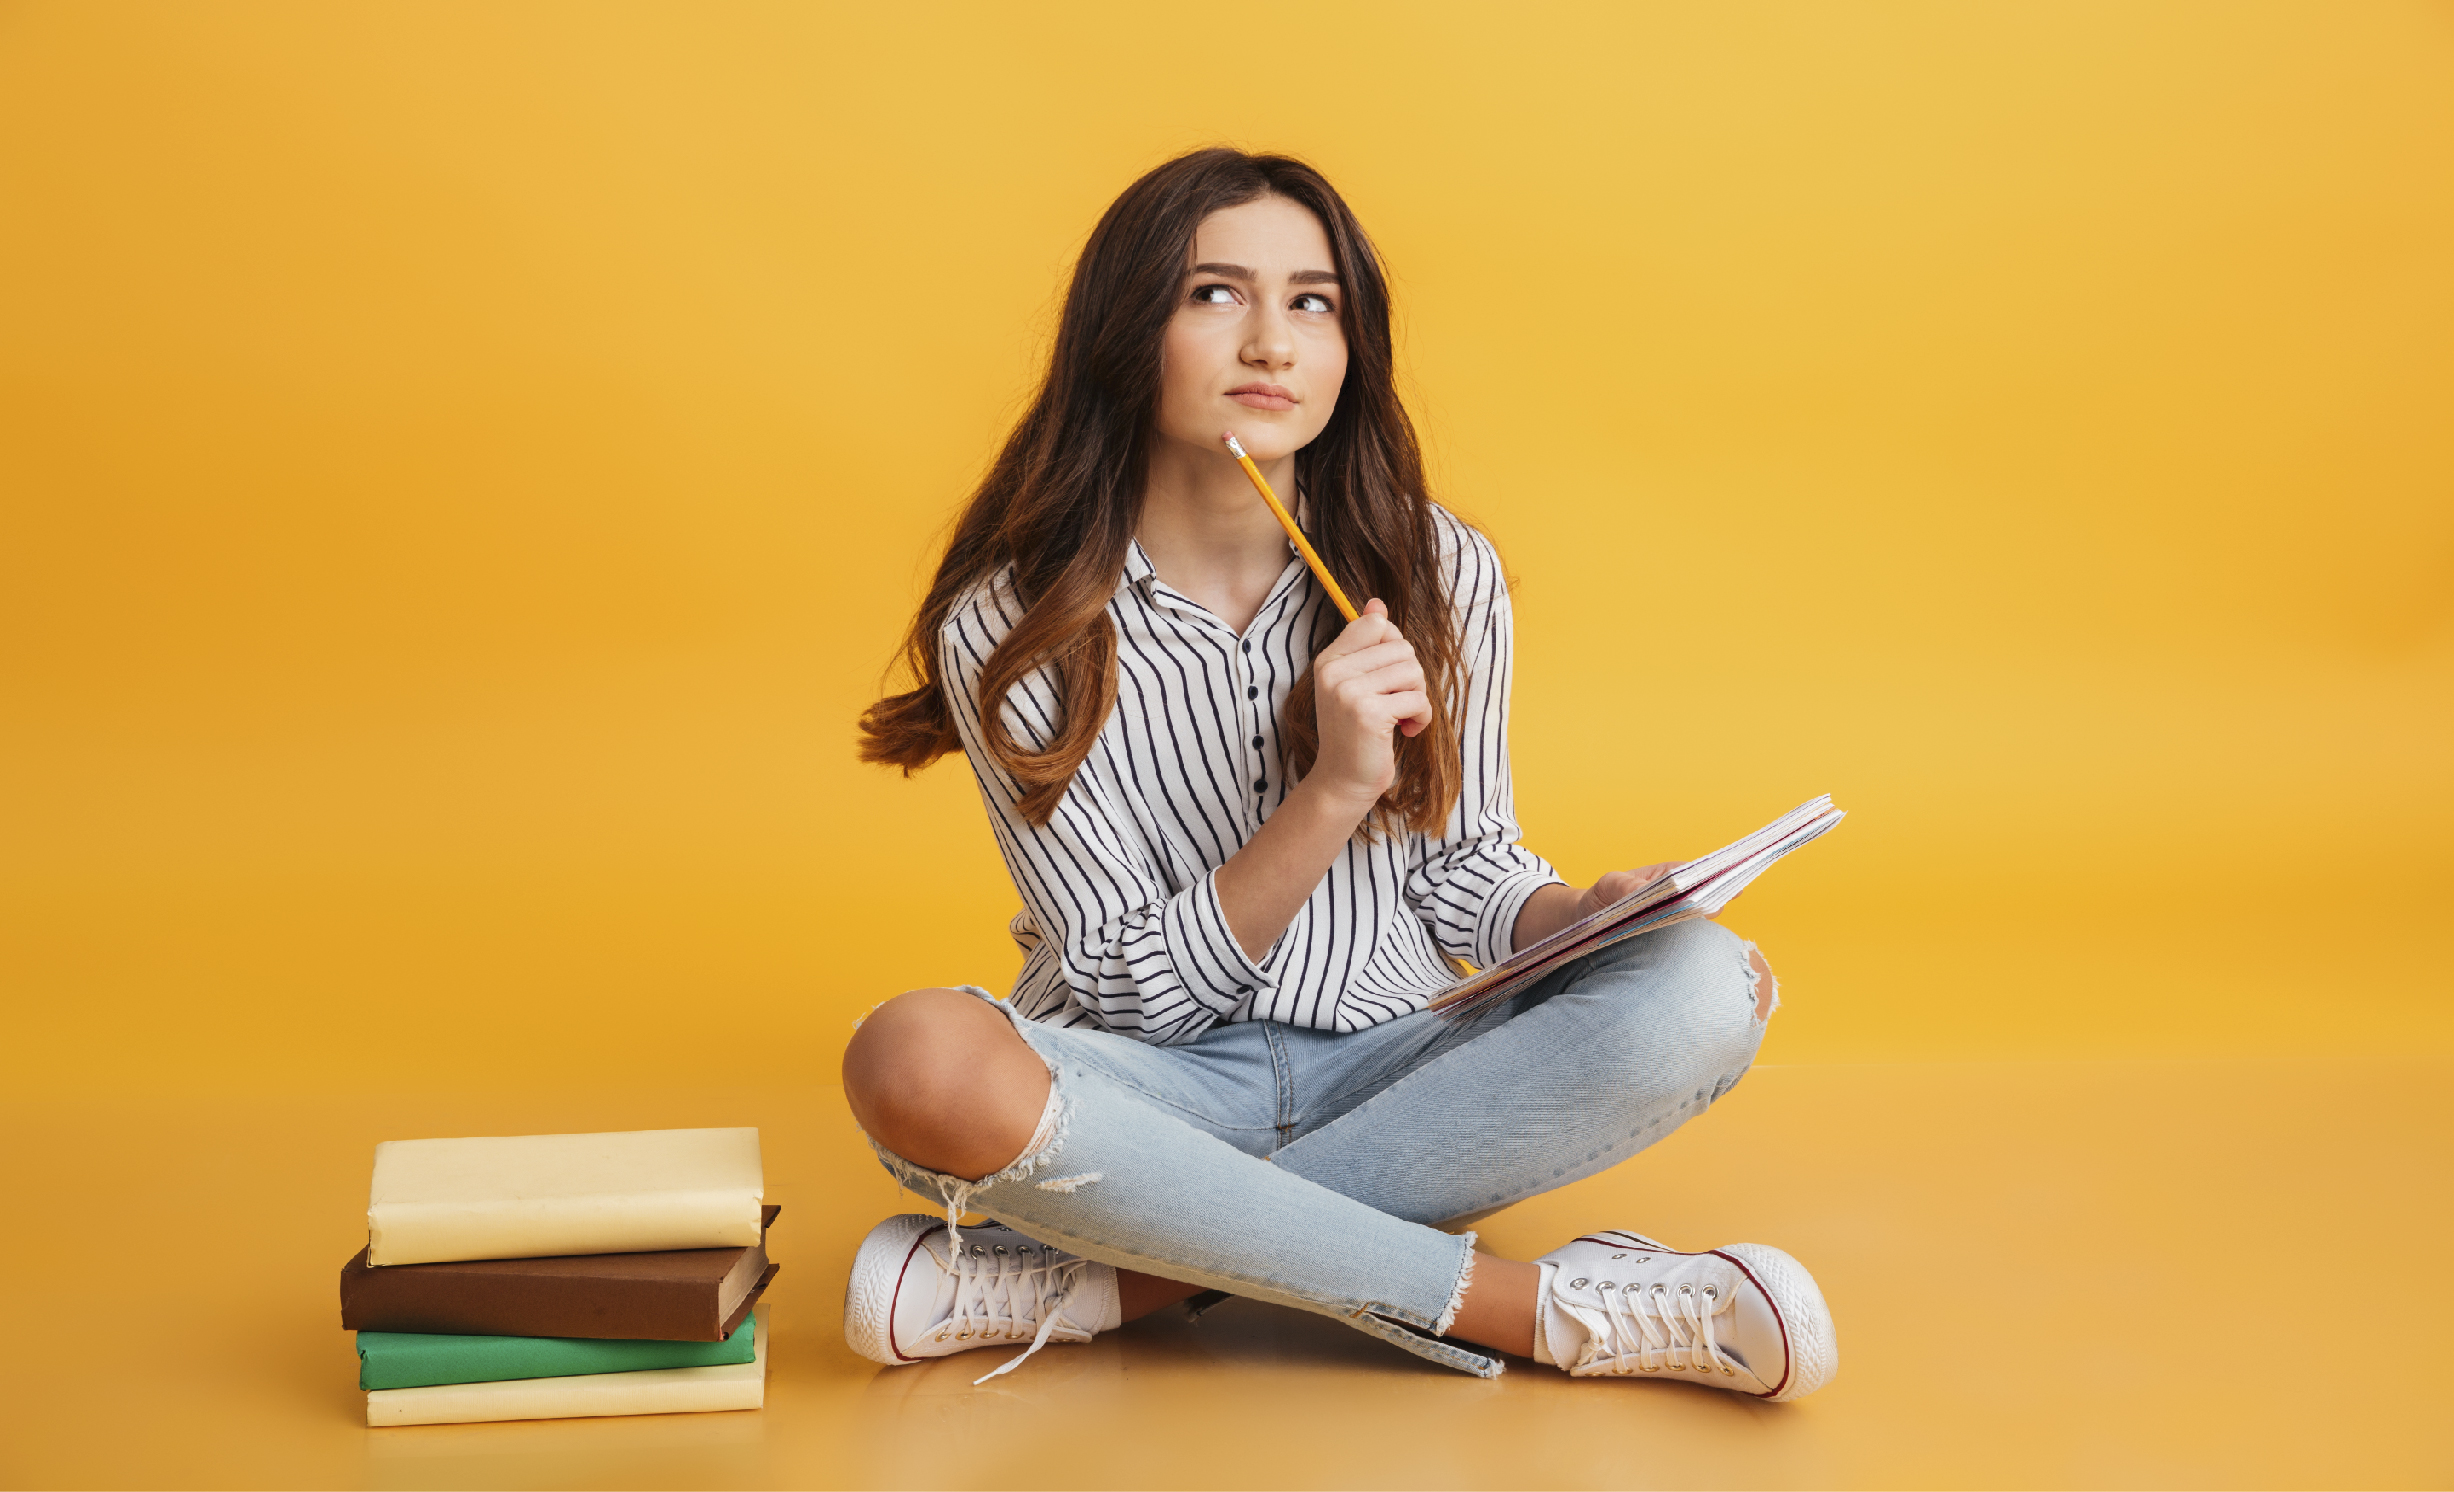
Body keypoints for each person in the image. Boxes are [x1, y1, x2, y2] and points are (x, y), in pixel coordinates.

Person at [839, 147, 1836, 1398]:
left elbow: (1468, 871)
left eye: (1313, 303)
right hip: (1150, 1093)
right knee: (914, 1057)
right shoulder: (1015, 620)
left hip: (1401, 1058)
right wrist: (1328, 795)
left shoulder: (1438, 569)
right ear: (1126, 329)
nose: (1272, 343)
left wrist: (1569, 919)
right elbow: (1131, 989)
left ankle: (1129, 1273)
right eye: (1216, 295)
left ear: (1350, 345)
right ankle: (1539, 1310)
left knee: (1707, 985)